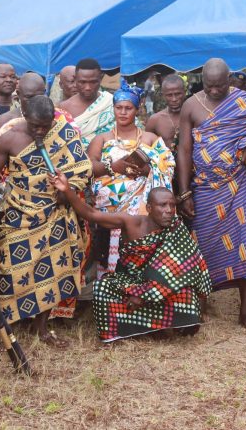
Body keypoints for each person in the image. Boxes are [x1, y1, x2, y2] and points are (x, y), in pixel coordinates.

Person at [0, 95, 92, 347]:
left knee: (52, 271)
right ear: (25, 118)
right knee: (11, 270)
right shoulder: (10, 136)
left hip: (55, 211)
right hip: (19, 213)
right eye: (35, 126)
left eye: (45, 125)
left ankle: (41, 328)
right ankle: (8, 329)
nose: (41, 131)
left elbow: (81, 169)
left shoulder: (64, 133)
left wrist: (66, 188)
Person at [176, 58, 246, 329]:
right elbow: (184, 150)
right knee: (202, 246)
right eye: (209, 85)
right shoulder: (191, 105)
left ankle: (245, 309)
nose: (214, 91)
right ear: (202, 80)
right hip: (207, 188)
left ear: (229, 79)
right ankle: (198, 304)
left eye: (220, 85)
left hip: (242, 183)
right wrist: (185, 193)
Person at [51, 173, 211, 341]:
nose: (169, 210)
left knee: (185, 292)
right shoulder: (130, 222)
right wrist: (67, 190)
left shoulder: (176, 227)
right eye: (163, 205)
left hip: (162, 284)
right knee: (102, 289)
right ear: (149, 208)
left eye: (172, 205)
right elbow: (91, 214)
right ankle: (145, 328)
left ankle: (163, 326)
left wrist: (143, 293)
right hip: (131, 281)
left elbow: (185, 267)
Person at [88, 79, 174, 279]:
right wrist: (113, 166)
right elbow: (88, 167)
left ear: (138, 109)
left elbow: (168, 166)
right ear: (113, 109)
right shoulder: (102, 139)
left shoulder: (150, 138)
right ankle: (112, 293)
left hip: (142, 209)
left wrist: (146, 171)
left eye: (128, 108)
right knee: (110, 254)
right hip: (109, 209)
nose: (123, 112)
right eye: (119, 107)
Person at [60, 58, 115, 146]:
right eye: (82, 82)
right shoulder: (63, 108)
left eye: (93, 82)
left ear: (100, 79)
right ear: (76, 80)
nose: (88, 87)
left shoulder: (111, 101)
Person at [0, 72, 47, 145]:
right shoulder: (5, 121)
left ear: (44, 93)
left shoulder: (56, 117)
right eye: (29, 97)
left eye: (39, 97)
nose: (34, 102)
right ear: (18, 94)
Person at [145, 74, 186, 152]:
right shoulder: (155, 120)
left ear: (184, 92)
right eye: (169, 95)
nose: (174, 99)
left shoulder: (193, 115)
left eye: (178, 94)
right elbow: (147, 149)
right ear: (163, 95)